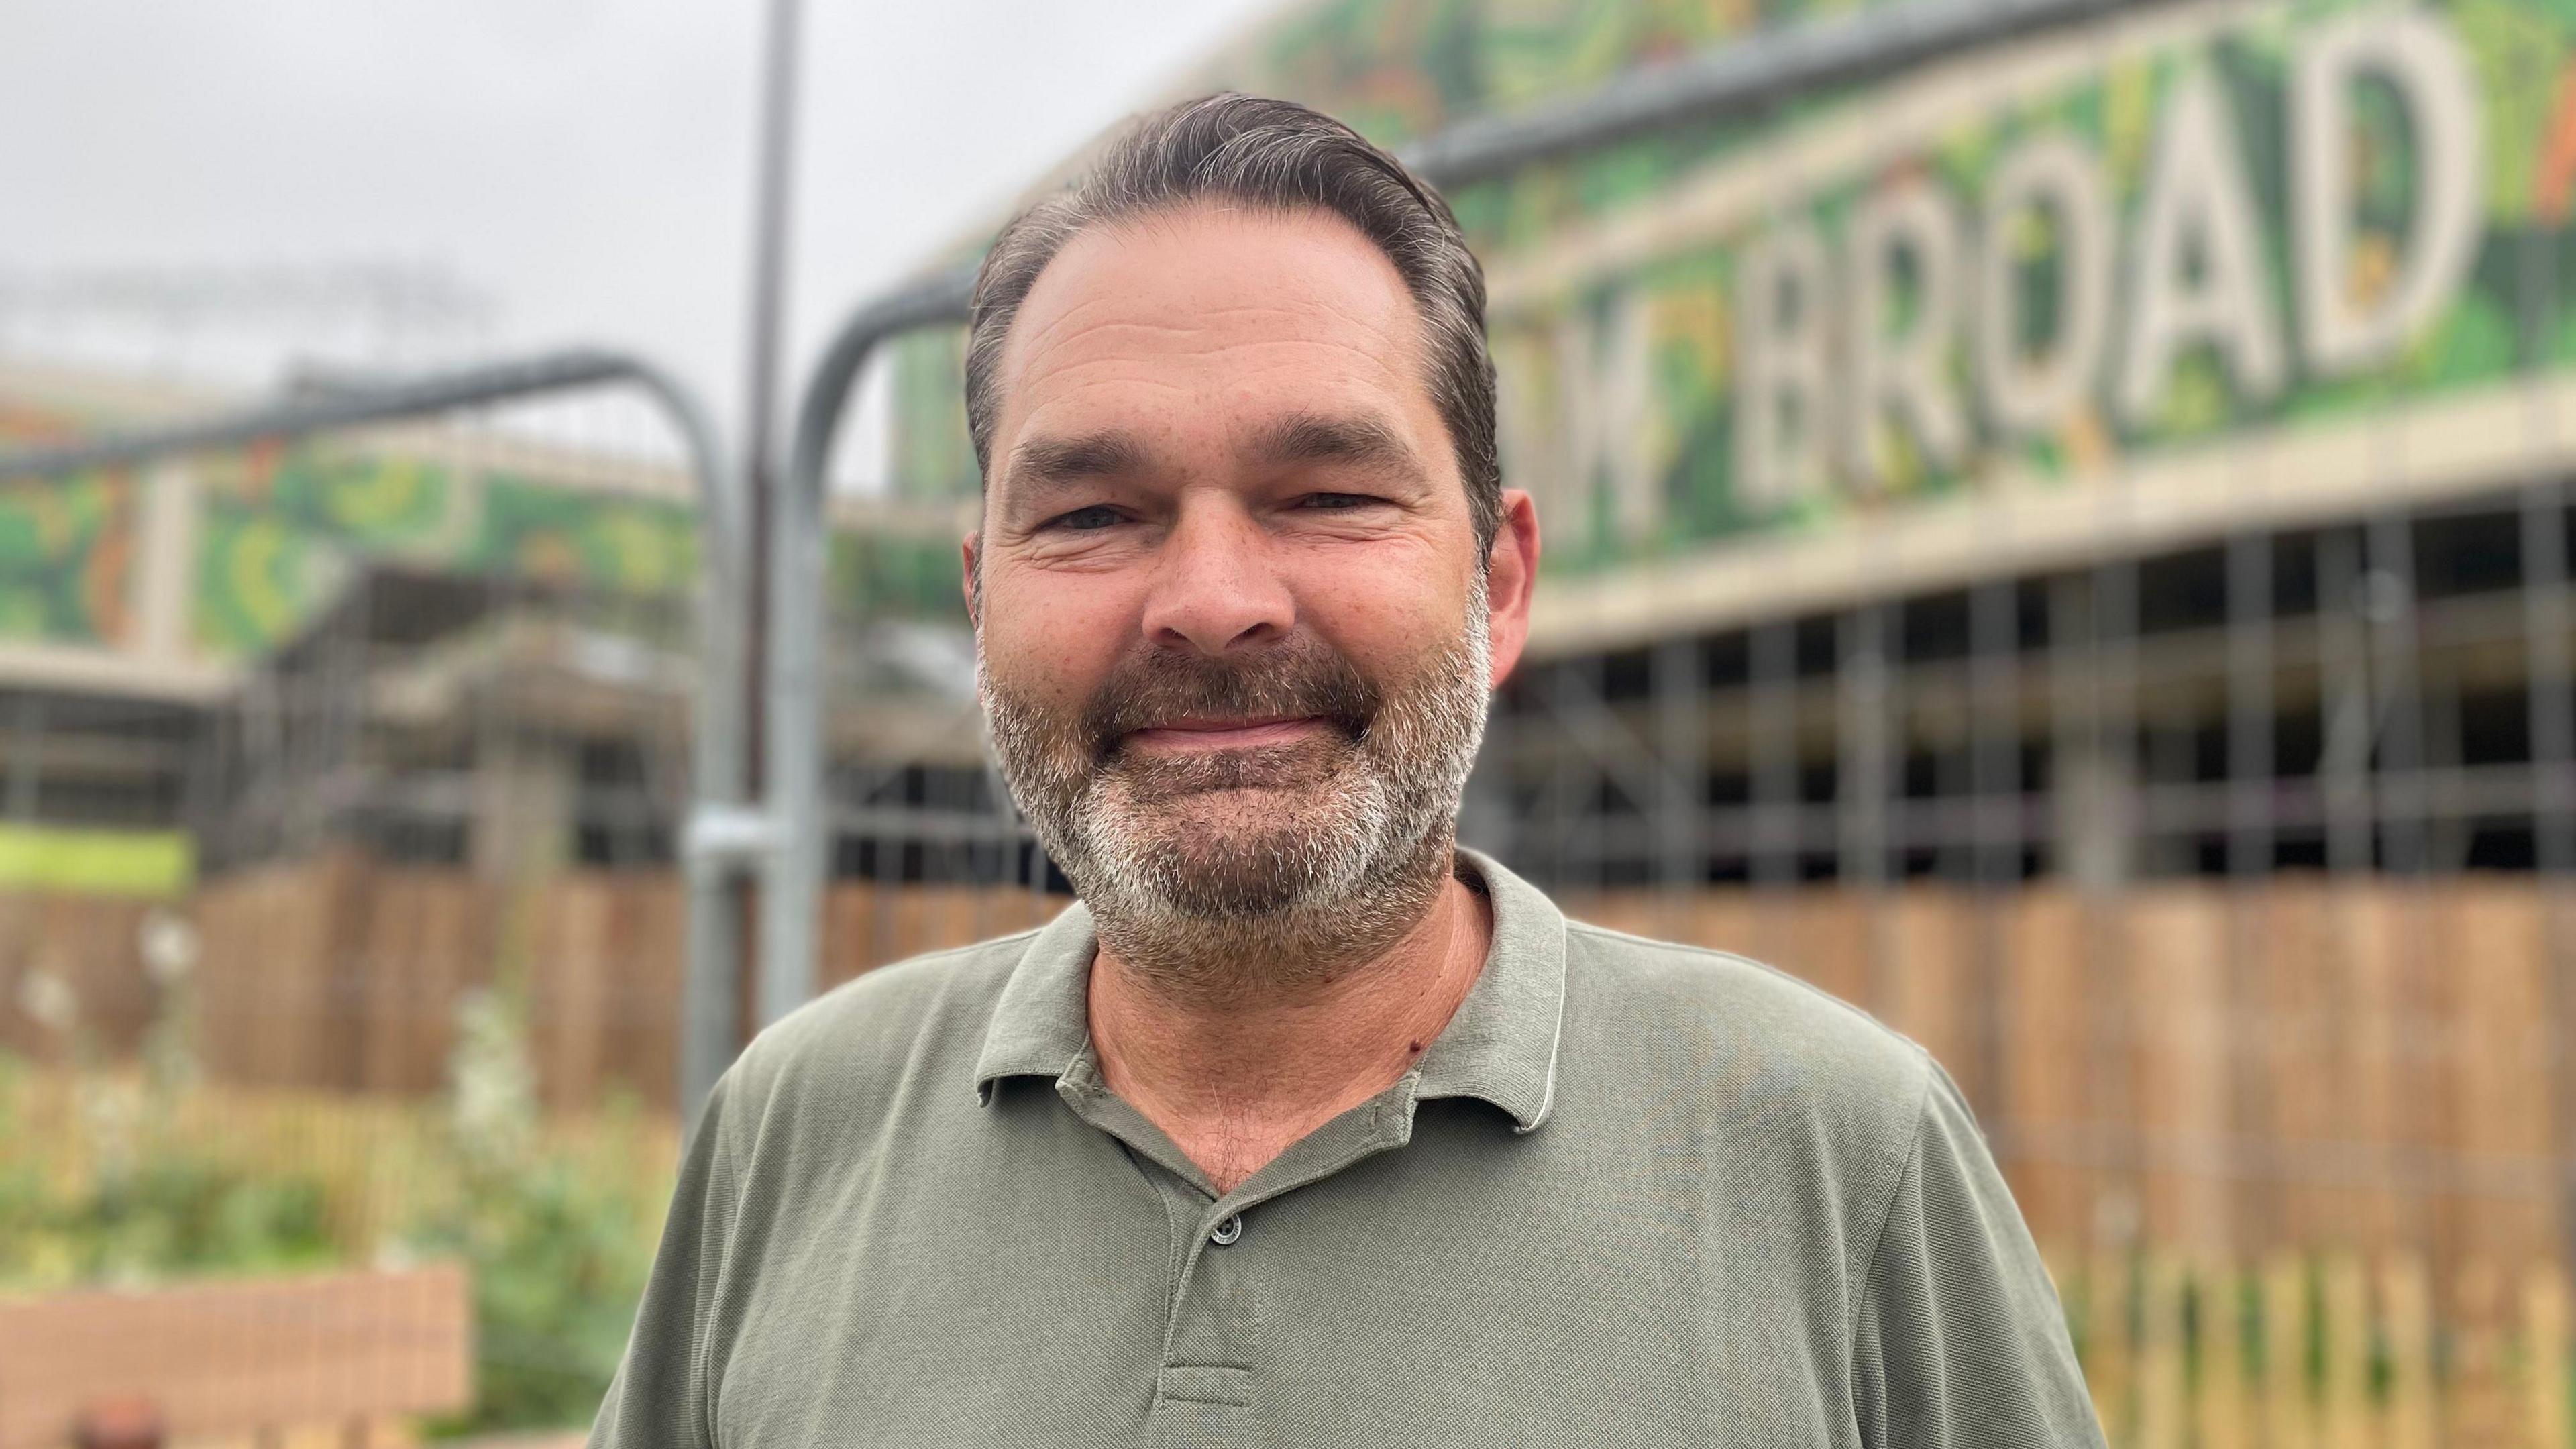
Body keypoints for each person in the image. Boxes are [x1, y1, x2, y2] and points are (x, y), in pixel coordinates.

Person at [591, 94, 2103, 1448]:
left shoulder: (1838, 1152)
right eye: (1095, 515)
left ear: (1498, 585)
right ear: (983, 599)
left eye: (1326, 494)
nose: (1211, 597)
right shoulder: (793, 1127)